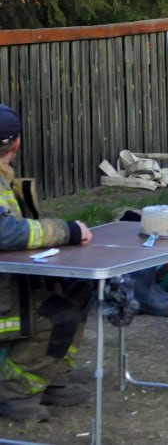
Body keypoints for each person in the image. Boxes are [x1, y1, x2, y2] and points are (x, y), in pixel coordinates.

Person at [0, 105, 95, 422]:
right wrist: (66, 231)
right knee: (58, 315)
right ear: (16, 144)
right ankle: (14, 394)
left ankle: (51, 377)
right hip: (6, 296)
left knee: (77, 288)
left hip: (12, 283)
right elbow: (5, 232)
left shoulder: (5, 180)